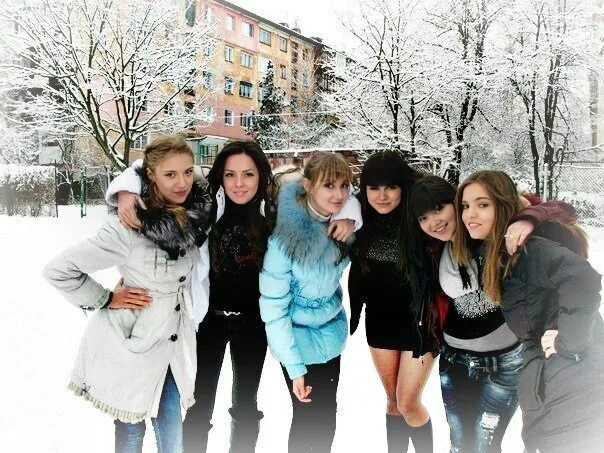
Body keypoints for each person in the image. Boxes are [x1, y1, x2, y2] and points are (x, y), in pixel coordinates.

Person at [106, 143, 360, 453]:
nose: (239, 184)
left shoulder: (276, 202)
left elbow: (334, 189)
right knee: (198, 406)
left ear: (261, 176)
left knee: (245, 406)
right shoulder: (204, 200)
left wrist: (350, 216)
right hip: (207, 322)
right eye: (230, 175)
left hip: (252, 324)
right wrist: (126, 192)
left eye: (248, 174)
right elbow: (149, 168)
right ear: (220, 176)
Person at [43, 136, 211, 453]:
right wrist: (106, 298)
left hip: (174, 344)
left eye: (187, 172)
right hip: (135, 342)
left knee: (173, 436)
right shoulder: (127, 226)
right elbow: (59, 269)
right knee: (131, 433)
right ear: (151, 176)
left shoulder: (196, 215)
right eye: (170, 174)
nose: (182, 182)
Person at [408, 174, 576, 453]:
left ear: (455, 202)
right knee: (460, 443)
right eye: (423, 218)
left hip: (504, 364)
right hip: (455, 361)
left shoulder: (498, 232)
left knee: (485, 444)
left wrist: (528, 218)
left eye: (439, 209)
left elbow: (563, 213)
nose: (433, 222)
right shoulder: (433, 248)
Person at [454, 170, 604, 453]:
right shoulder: (501, 252)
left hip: (573, 374)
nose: (470, 214)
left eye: (482, 205)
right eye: (465, 205)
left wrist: (569, 341)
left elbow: (581, 279)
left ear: (503, 206)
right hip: (548, 372)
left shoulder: (527, 249)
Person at [259, 152, 354, 453]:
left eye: (344, 185)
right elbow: (273, 308)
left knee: (326, 418)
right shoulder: (286, 238)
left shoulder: (340, 223)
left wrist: (353, 219)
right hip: (297, 343)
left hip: (331, 337)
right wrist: (294, 367)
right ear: (309, 185)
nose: (339, 194)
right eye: (329, 185)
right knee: (307, 420)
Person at [348, 151, 438, 453]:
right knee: (392, 402)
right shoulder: (359, 217)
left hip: (420, 323)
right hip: (380, 320)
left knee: (408, 403)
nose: (382, 196)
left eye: (390, 187)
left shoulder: (421, 217)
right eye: (374, 188)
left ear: (403, 186)